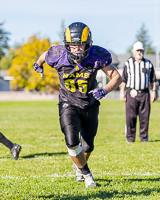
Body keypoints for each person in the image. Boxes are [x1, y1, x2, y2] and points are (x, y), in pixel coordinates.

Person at [33, 22, 122, 188]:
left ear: (88, 44)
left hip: (90, 103)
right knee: (72, 141)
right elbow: (44, 56)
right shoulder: (57, 54)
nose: (78, 49)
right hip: (68, 103)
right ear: (67, 45)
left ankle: (79, 165)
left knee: (88, 146)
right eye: (73, 45)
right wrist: (38, 65)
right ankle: (87, 175)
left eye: (81, 45)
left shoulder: (96, 55)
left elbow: (117, 77)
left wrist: (104, 90)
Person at [120, 41, 157, 143]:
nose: (139, 52)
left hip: (144, 93)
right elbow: (124, 79)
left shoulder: (148, 63)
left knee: (144, 117)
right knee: (130, 117)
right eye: (137, 50)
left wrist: (154, 92)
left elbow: (153, 80)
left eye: (141, 50)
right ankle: (130, 138)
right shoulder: (128, 63)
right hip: (131, 93)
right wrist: (122, 92)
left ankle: (144, 138)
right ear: (133, 51)